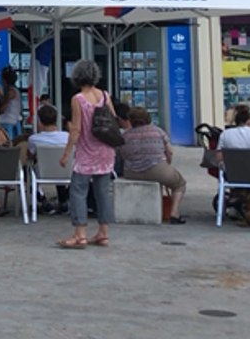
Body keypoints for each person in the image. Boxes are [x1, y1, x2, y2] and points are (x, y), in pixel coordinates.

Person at [58, 59, 117, 249]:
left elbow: (76, 130)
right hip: (106, 151)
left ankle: (80, 234)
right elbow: (113, 119)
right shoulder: (105, 96)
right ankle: (103, 233)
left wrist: (66, 153)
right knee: (103, 192)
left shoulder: (78, 99)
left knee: (78, 191)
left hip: (86, 151)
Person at [117, 107, 187, 223]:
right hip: (157, 168)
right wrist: (167, 164)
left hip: (131, 172)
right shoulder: (157, 131)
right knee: (180, 184)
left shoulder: (125, 136)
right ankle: (174, 213)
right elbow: (169, 151)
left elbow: (123, 155)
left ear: (131, 120)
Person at [27, 104, 70, 214]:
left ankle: (43, 200)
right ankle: (63, 201)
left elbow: (30, 157)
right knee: (58, 166)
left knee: (26, 171)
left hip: (43, 173)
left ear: (39, 122)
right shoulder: (67, 137)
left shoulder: (34, 139)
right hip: (65, 171)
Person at [0, 66, 22, 140]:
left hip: (7, 119)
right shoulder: (16, 90)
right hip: (16, 119)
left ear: (4, 80)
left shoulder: (10, 92)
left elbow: (3, 109)